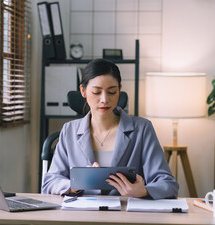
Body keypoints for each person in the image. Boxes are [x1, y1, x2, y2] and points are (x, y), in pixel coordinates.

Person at [41, 59, 179, 199]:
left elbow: (168, 184)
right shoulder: (69, 131)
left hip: (126, 215)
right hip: (81, 214)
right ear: (83, 91)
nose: (104, 99)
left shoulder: (142, 129)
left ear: (119, 89)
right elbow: (50, 182)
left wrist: (143, 191)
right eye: (96, 92)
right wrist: (75, 185)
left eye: (112, 92)